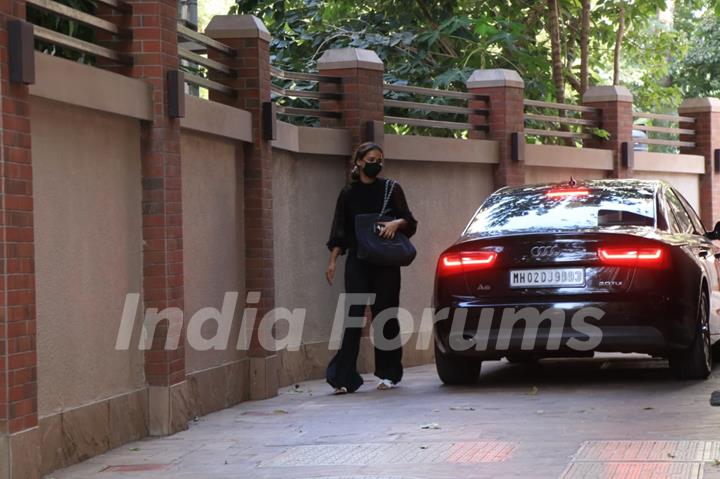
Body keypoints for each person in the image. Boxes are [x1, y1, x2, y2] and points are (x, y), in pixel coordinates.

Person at [325, 142, 418, 394]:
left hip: (385, 262)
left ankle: (389, 373)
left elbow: (410, 221)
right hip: (358, 260)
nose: (376, 162)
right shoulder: (348, 193)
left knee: (385, 315)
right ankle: (344, 377)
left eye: (380, 159)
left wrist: (396, 224)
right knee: (354, 316)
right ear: (359, 161)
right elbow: (340, 231)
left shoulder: (391, 188)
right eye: (371, 158)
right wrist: (333, 260)